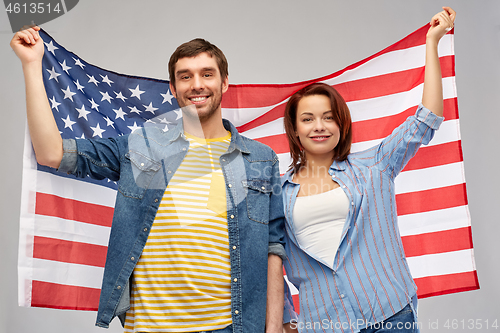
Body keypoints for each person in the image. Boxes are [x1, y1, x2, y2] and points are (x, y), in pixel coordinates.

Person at [10, 28, 285, 333]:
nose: (197, 85)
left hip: (229, 327)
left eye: (207, 74)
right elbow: (52, 153)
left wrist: (272, 329)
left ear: (224, 82)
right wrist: (32, 64)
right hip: (150, 327)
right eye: (185, 76)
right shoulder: (142, 145)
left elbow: (273, 249)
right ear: (173, 87)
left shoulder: (260, 159)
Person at [281, 7, 456, 333]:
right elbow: (268, 263)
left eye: (328, 116)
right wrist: (285, 322)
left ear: (341, 123)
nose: (319, 126)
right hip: (324, 325)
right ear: (294, 129)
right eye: (307, 119)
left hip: (391, 315)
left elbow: (427, 118)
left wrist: (432, 43)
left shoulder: (375, 165)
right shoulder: (276, 194)